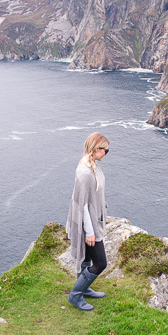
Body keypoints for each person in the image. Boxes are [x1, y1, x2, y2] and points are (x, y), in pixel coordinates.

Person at [66, 132, 110, 311]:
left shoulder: (91, 164)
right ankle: (75, 295)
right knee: (100, 263)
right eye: (105, 150)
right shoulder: (85, 172)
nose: (106, 154)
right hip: (88, 224)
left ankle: (83, 288)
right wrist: (90, 232)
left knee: (86, 257)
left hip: (93, 219)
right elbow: (83, 206)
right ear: (96, 149)